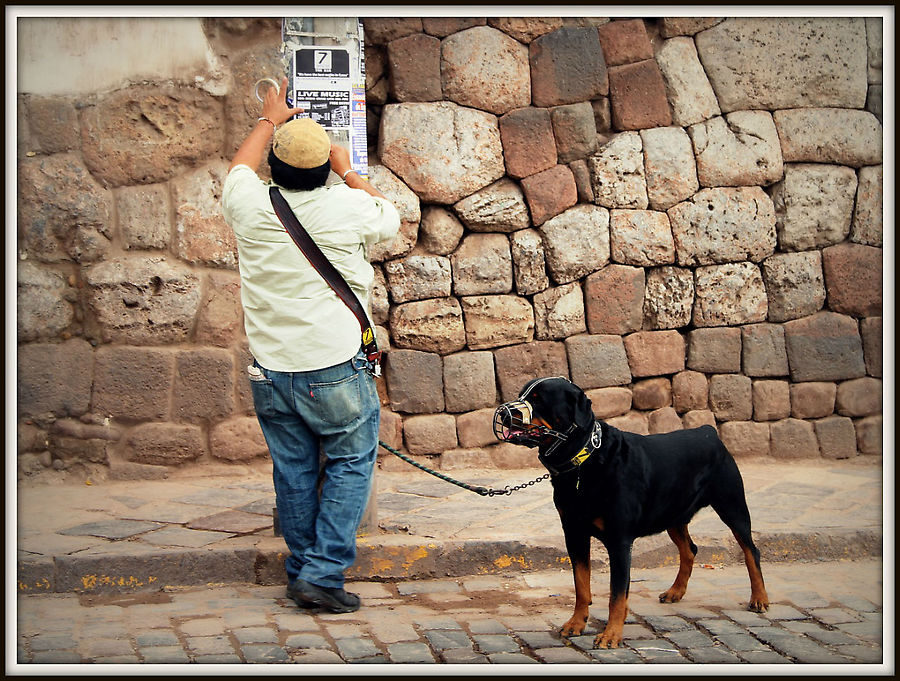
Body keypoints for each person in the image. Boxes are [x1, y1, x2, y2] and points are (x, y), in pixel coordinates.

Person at [221, 77, 400, 613]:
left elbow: (237, 169)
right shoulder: (346, 207)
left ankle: (303, 569)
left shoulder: (250, 205)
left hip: (271, 370)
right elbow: (389, 217)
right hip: (334, 368)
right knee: (350, 461)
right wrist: (347, 168)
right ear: (323, 172)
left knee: (293, 469)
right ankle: (322, 574)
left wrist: (270, 117)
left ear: (274, 169)